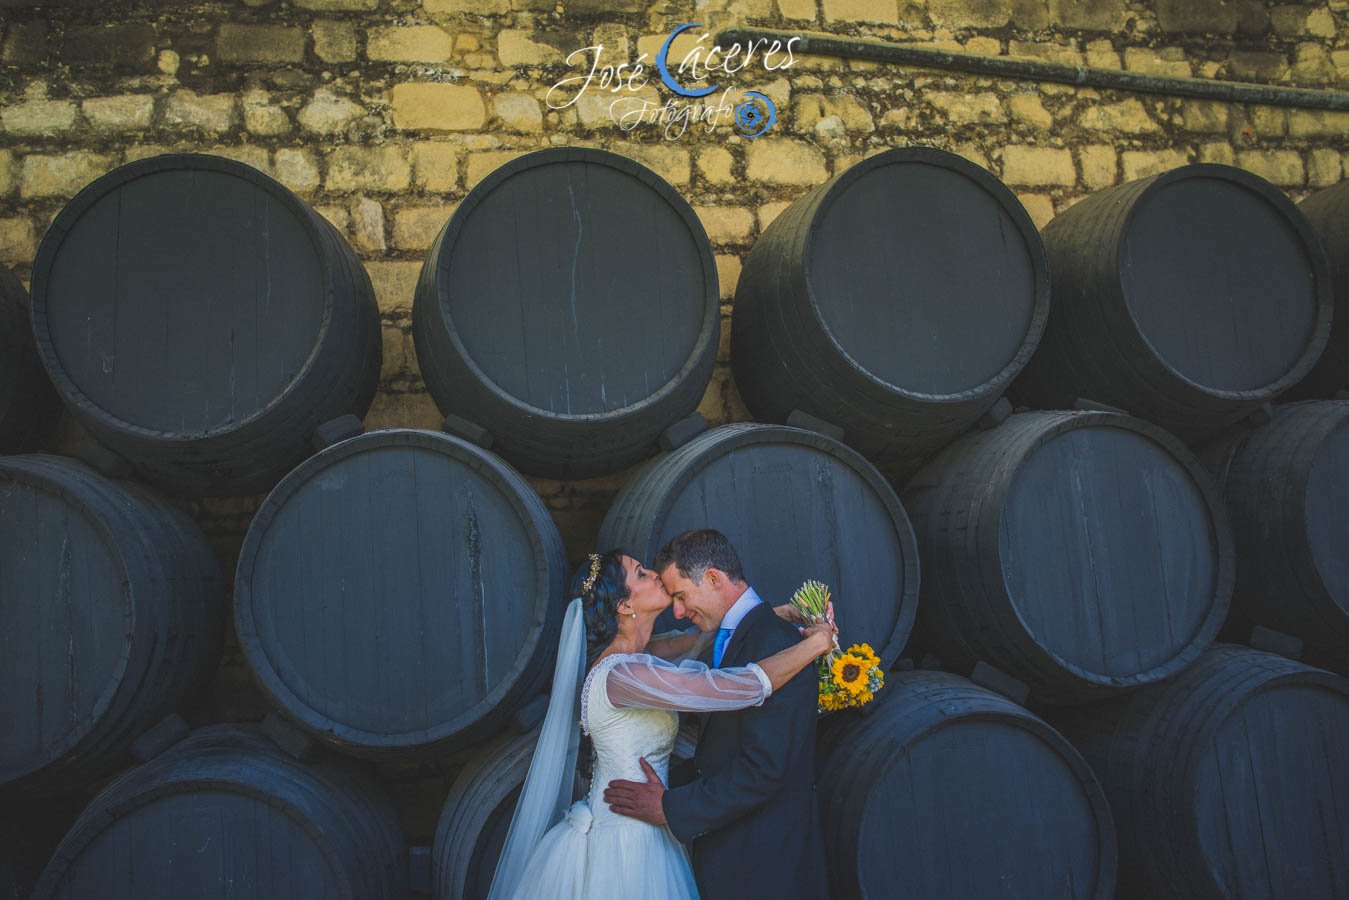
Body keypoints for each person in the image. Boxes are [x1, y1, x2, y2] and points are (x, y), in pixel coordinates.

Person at [486, 548, 835, 900]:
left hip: (649, 826)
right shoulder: (622, 675)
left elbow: (710, 637)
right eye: (641, 573)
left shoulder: (638, 656)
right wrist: (816, 644)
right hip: (625, 841)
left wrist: (774, 616)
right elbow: (735, 686)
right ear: (624, 605)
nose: (654, 574)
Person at [604, 529, 831, 900]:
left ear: (712, 578)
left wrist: (670, 808)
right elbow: (719, 755)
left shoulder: (778, 644)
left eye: (681, 595)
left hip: (768, 865)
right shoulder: (734, 636)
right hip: (733, 855)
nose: (677, 611)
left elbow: (764, 769)